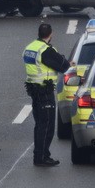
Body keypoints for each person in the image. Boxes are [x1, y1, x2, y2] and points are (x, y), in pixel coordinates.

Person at [23, 22, 72, 166]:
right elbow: (63, 65)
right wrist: (69, 63)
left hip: (34, 90)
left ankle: (39, 155)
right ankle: (42, 157)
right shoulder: (45, 50)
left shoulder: (30, 47)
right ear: (51, 34)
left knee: (39, 124)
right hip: (45, 91)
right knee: (47, 125)